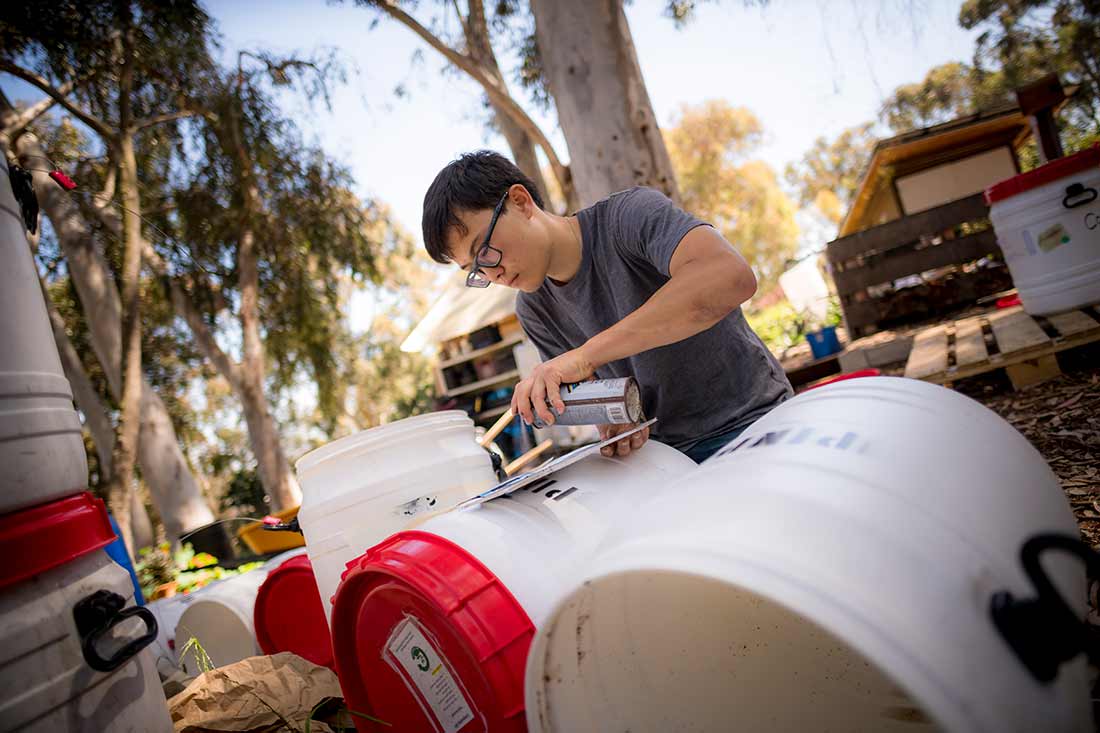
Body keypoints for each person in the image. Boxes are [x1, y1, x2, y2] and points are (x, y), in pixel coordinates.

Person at [421, 150, 792, 463]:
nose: (492, 272)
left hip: (756, 422)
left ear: (520, 202)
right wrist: (617, 420)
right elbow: (607, 400)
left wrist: (585, 356)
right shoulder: (534, 311)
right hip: (666, 460)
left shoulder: (628, 217)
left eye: (483, 251)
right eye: (475, 271)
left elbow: (730, 276)